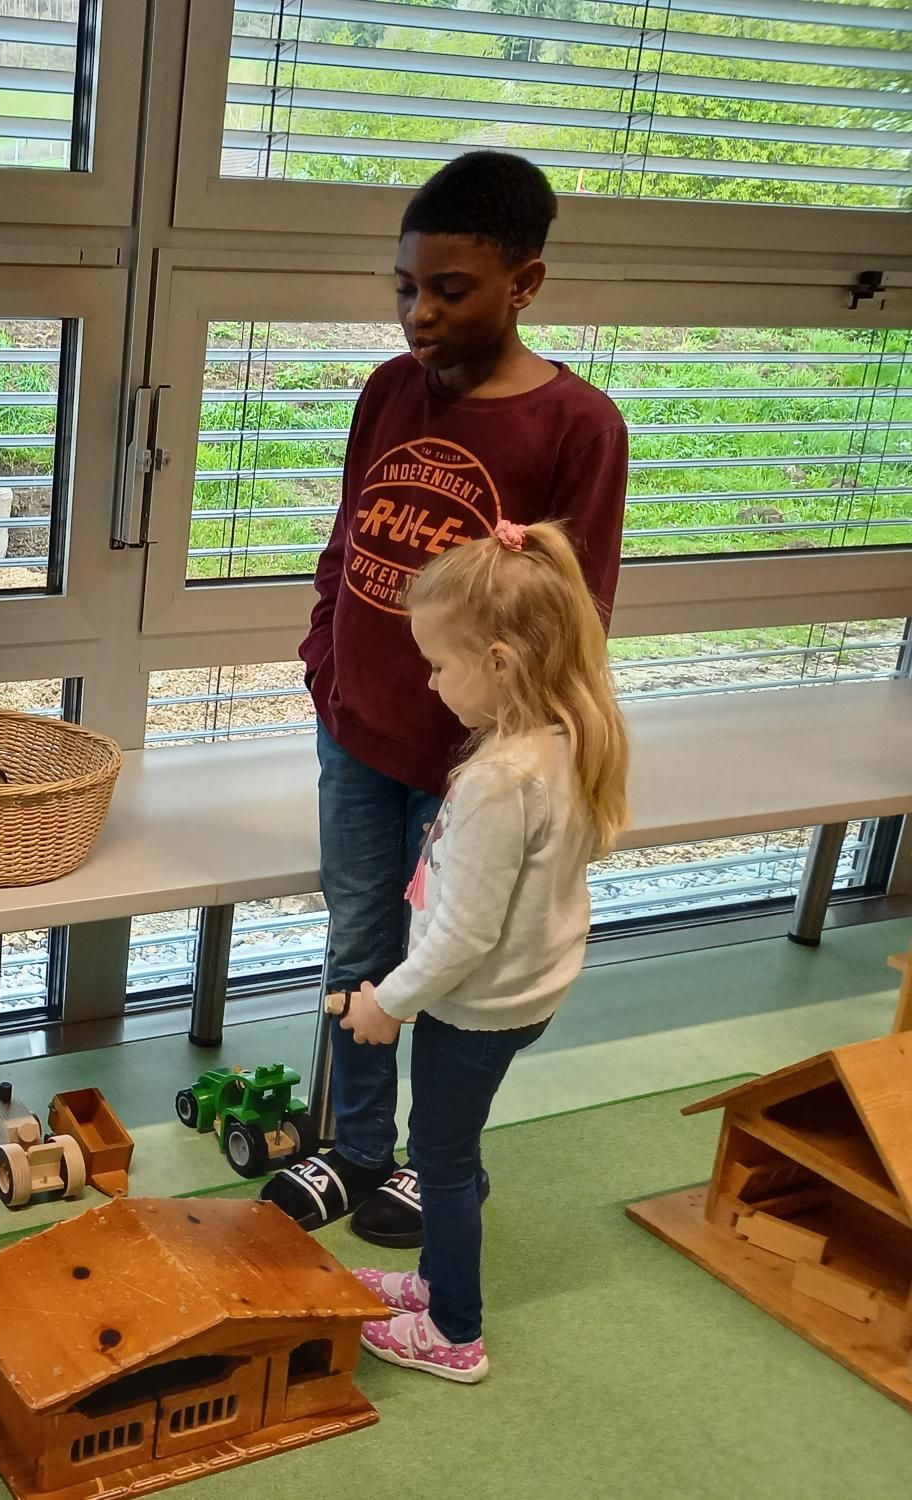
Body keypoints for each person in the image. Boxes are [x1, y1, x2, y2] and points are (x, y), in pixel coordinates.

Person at [260, 150, 629, 1250]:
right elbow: (345, 543)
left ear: (525, 284)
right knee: (356, 945)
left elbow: (577, 614)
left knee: (453, 965)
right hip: (356, 737)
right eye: (404, 289)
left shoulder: (578, 429)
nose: (418, 314)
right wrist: (325, 667)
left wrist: (520, 754)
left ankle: (434, 1160)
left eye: (449, 290)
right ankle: (357, 1148)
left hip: (477, 770)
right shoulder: (386, 390)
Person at [337, 520, 630, 1382]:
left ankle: (454, 1331)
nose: (430, 683)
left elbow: (465, 932)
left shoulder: (501, 781)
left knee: (441, 1164)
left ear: (499, 663)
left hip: (475, 1012)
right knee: (449, 1154)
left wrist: (389, 1002)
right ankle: (433, 1285)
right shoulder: (566, 742)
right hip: (524, 997)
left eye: (439, 664)